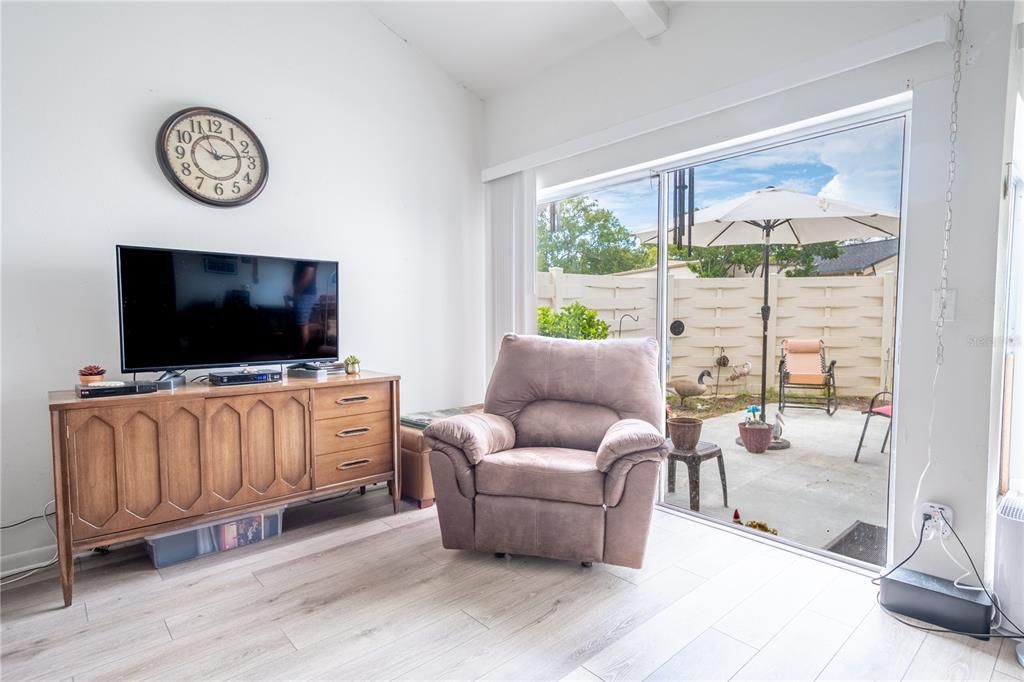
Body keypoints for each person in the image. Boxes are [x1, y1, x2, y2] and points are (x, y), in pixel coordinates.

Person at [290, 261, 318, 351]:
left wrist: (297, 291)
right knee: (301, 323)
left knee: (302, 324)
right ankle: (301, 353)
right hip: (304, 293)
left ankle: (304, 354)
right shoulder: (303, 258)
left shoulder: (310, 256)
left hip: (305, 294)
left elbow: (308, 275)